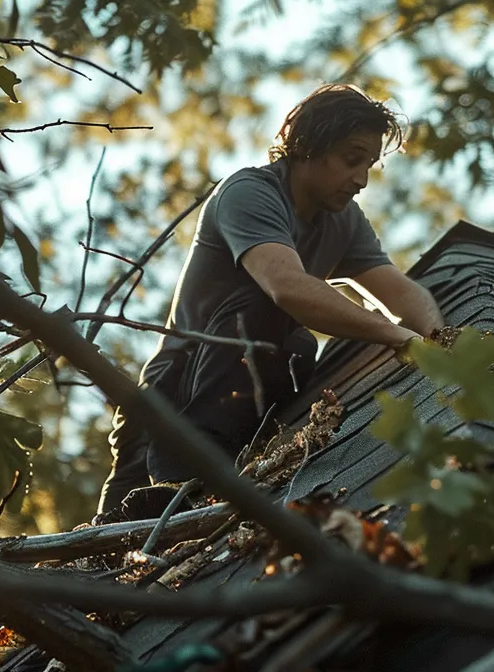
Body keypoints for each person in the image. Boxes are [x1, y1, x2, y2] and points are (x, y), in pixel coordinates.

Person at [96, 84, 445, 521]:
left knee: (298, 346)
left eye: (370, 165)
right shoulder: (250, 191)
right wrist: (397, 337)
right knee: (122, 550)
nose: (361, 179)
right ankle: (178, 490)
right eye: (352, 159)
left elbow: (403, 292)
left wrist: (441, 344)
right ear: (308, 145)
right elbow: (287, 287)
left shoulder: (345, 221)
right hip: (172, 405)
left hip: (245, 410)